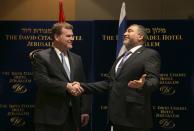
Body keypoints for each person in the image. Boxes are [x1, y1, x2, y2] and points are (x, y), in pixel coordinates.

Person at [69, 24, 161, 131]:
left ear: (140, 36)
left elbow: (154, 81)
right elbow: (109, 83)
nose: (125, 33)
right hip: (116, 118)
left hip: (135, 119)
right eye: (125, 31)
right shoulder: (121, 57)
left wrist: (143, 84)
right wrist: (82, 86)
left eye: (129, 31)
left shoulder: (149, 54)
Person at [31, 22, 91, 131]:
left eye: (72, 36)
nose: (72, 38)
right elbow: (42, 81)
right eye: (68, 36)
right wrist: (66, 86)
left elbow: (83, 83)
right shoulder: (42, 57)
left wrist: (85, 110)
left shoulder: (77, 58)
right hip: (49, 118)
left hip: (73, 117)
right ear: (56, 37)